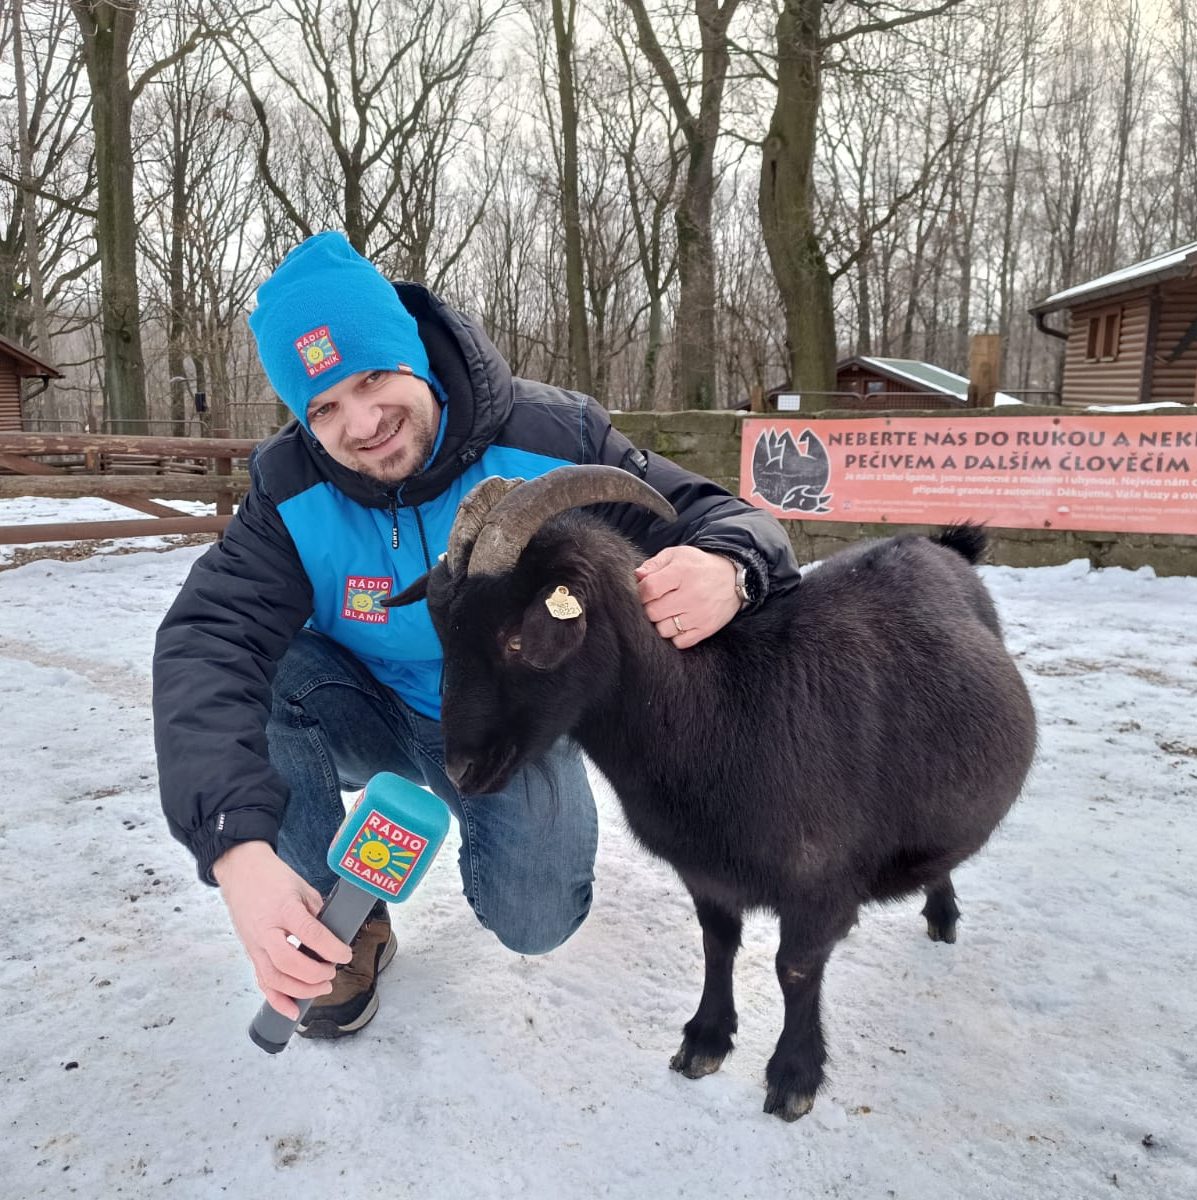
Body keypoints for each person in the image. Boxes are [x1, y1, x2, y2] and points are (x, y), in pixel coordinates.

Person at [153, 231, 801, 1040]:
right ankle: (337, 922)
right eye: (322, 408)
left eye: (372, 378)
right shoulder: (287, 488)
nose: (362, 424)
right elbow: (205, 639)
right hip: (354, 703)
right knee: (264, 664)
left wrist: (727, 566)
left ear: (411, 354)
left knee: (536, 918)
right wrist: (236, 850)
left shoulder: (550, 437)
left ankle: (504, 834)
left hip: (504, 717)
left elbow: (720, 516)